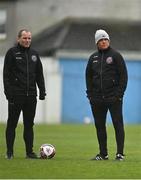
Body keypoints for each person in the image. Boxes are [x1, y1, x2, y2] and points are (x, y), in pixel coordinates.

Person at [3, 29, 46, 159]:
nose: (27, 41)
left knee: (29, 125)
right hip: (16, 95)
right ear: (18, 39)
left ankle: (29, 152)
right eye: (24, 38)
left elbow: (39, 74)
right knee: (12, 124)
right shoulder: (12, 53)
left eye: (29, 38)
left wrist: (42, 90)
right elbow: (6, 75)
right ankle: (9, 152)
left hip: (31, 96)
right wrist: (8, 92)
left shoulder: (34, 54)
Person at [85, 29, 128, 161]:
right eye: (100, 40)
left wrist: (119, 94)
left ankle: (120, 153)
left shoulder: (116, 56)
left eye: (105, 39)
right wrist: (90, 95)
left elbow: (123, 76)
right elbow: (88, 77)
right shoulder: (93, 58)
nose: (103, 42)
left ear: (108, 40)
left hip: (114, 98)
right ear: (97, 43)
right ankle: (103, 154)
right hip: (97, 99)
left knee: (118, 125)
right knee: (100, 126)